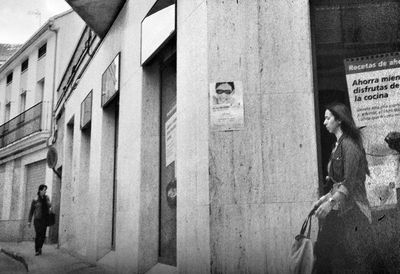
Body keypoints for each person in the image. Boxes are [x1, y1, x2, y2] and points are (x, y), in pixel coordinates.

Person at [313, 102, 373, 273]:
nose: (324, 122)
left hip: (353, 208)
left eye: (327, 118)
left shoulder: (350, 145)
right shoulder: (337, 146)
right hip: (342, 208)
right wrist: (322, 200)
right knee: (327, 253)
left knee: (365, 258)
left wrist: (329, 202)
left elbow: (349, 182)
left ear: (338, 120)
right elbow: (336, 182)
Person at [28, 184, 51, 256]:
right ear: (40, 190)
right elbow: (31, 211)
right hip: (37, 220)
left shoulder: (46, 198)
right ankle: (37, 250)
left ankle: (40, 247)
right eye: (44, 190)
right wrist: (29, 221)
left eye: (45, 190)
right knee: (38, 234)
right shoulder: (35, 199)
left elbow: (50, 205)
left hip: (44, 219)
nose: (45, 191)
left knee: (43, 235)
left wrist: (48, 201)